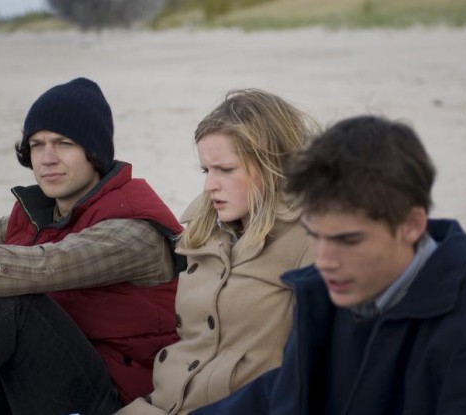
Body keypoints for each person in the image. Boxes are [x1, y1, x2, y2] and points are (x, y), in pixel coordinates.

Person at [191, 115, 466, 414]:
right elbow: (281, 396)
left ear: (411, 224)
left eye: (348, 240)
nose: (325, 261)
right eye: (315, 235)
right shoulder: (323, 294)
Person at [0, 77, 184, 415]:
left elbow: (46, 264)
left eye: (63, 143)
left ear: (94, 152)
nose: (47, 158)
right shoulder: (42, 213)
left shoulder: (133, 230)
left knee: (5, 299)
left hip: (112, 401)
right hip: (34, 385)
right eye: (36, 144)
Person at [116, 89, 316, 415]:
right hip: (160, 404)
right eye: (205, 171)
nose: (210, 185)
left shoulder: (313, 239)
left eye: (225, 169)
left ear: (271, 163)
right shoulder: (204, 223)